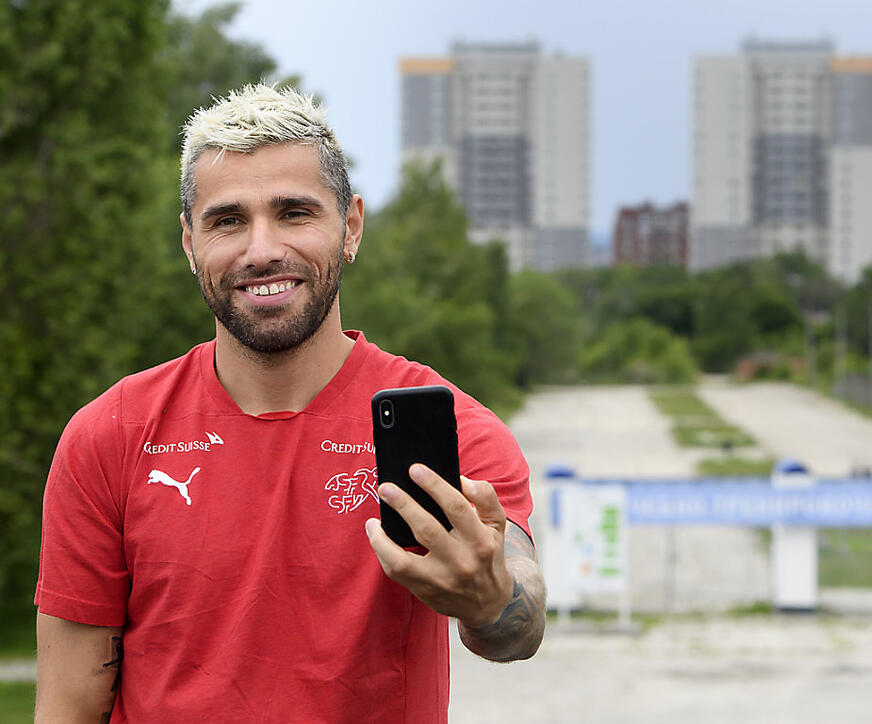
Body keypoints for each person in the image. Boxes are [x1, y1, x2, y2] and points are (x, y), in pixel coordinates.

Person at [34, 84, 545, 723]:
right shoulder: (110, 434)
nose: (262, 250)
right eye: (227, 220)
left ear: (350, 226)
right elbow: (68, 706)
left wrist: (491, 596)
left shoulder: (452, 428)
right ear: (189, 242)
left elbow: (519, 626)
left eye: (295, 212)